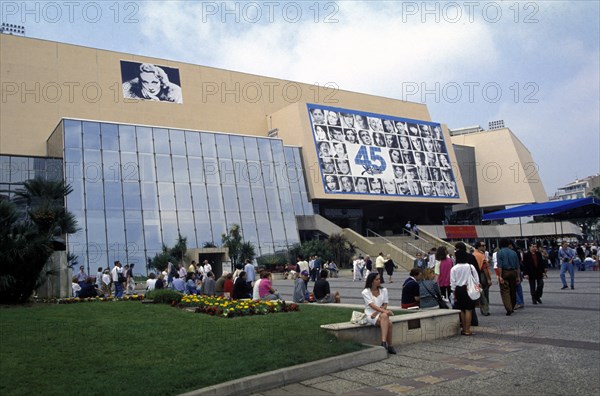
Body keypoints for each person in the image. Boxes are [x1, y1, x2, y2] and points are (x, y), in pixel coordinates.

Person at [362, 273, 396, 354]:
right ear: (371, 281)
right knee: (389, 323)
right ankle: (390, 346)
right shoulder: (365, 292)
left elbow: (385, 304)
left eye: (379, 279)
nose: (379, 281)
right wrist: (385, 311)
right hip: (370, 314)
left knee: (384, 316)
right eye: (376, 279)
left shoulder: (384, 290)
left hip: (379, 312)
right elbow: (371, 305)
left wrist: (379, 312)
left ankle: (383, 342)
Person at [450, 245, 480, 335]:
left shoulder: (454, 268)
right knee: (469, 309)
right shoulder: (470, 266)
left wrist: (454, 293)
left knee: (462, 309)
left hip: (459, 289)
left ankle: (463, 329)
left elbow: (452, 283)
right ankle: (468, 329)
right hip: (469, 288)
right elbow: (477, 279)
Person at [497, 239, 520, 315]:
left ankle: (508, 308)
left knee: (505, 290)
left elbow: (499, 265)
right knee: (513, 290)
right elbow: (517, 266)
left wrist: (500, 276)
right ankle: (512, 306)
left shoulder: (500, 252)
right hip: (513, 272)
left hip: (505, 272)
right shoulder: (514, 252)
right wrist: (518, 277)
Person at [473, 241, 492, 316]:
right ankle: (485, 310)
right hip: (482, 275)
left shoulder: (473, 254)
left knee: (480, 292)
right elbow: (484, 268)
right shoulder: (481, 255)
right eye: (482, 246)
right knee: (485, 292)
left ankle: (482, 308)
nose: (484, 247)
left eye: (485, 245)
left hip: (476, 275)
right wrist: (488, 279)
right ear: (478, 247)